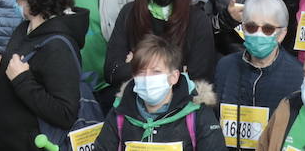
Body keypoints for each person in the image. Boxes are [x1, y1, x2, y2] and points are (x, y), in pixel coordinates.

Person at [0, 0, 86, 151]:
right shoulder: (25, 29)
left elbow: (65, 113)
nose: (16, 0)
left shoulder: (58, 47)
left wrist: (22, 80)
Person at [92, 34, 223, 151]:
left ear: (174, 77)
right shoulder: (120, 113)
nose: (147, 78)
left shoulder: (197, 115)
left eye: (156, 72)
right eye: (141, 71)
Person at [214, 0, 304, 149]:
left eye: (268, 29)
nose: (258, 34)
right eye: (251, 27)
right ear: (243, 29)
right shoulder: (225, 67)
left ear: (281, 34)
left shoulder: (297, 76)